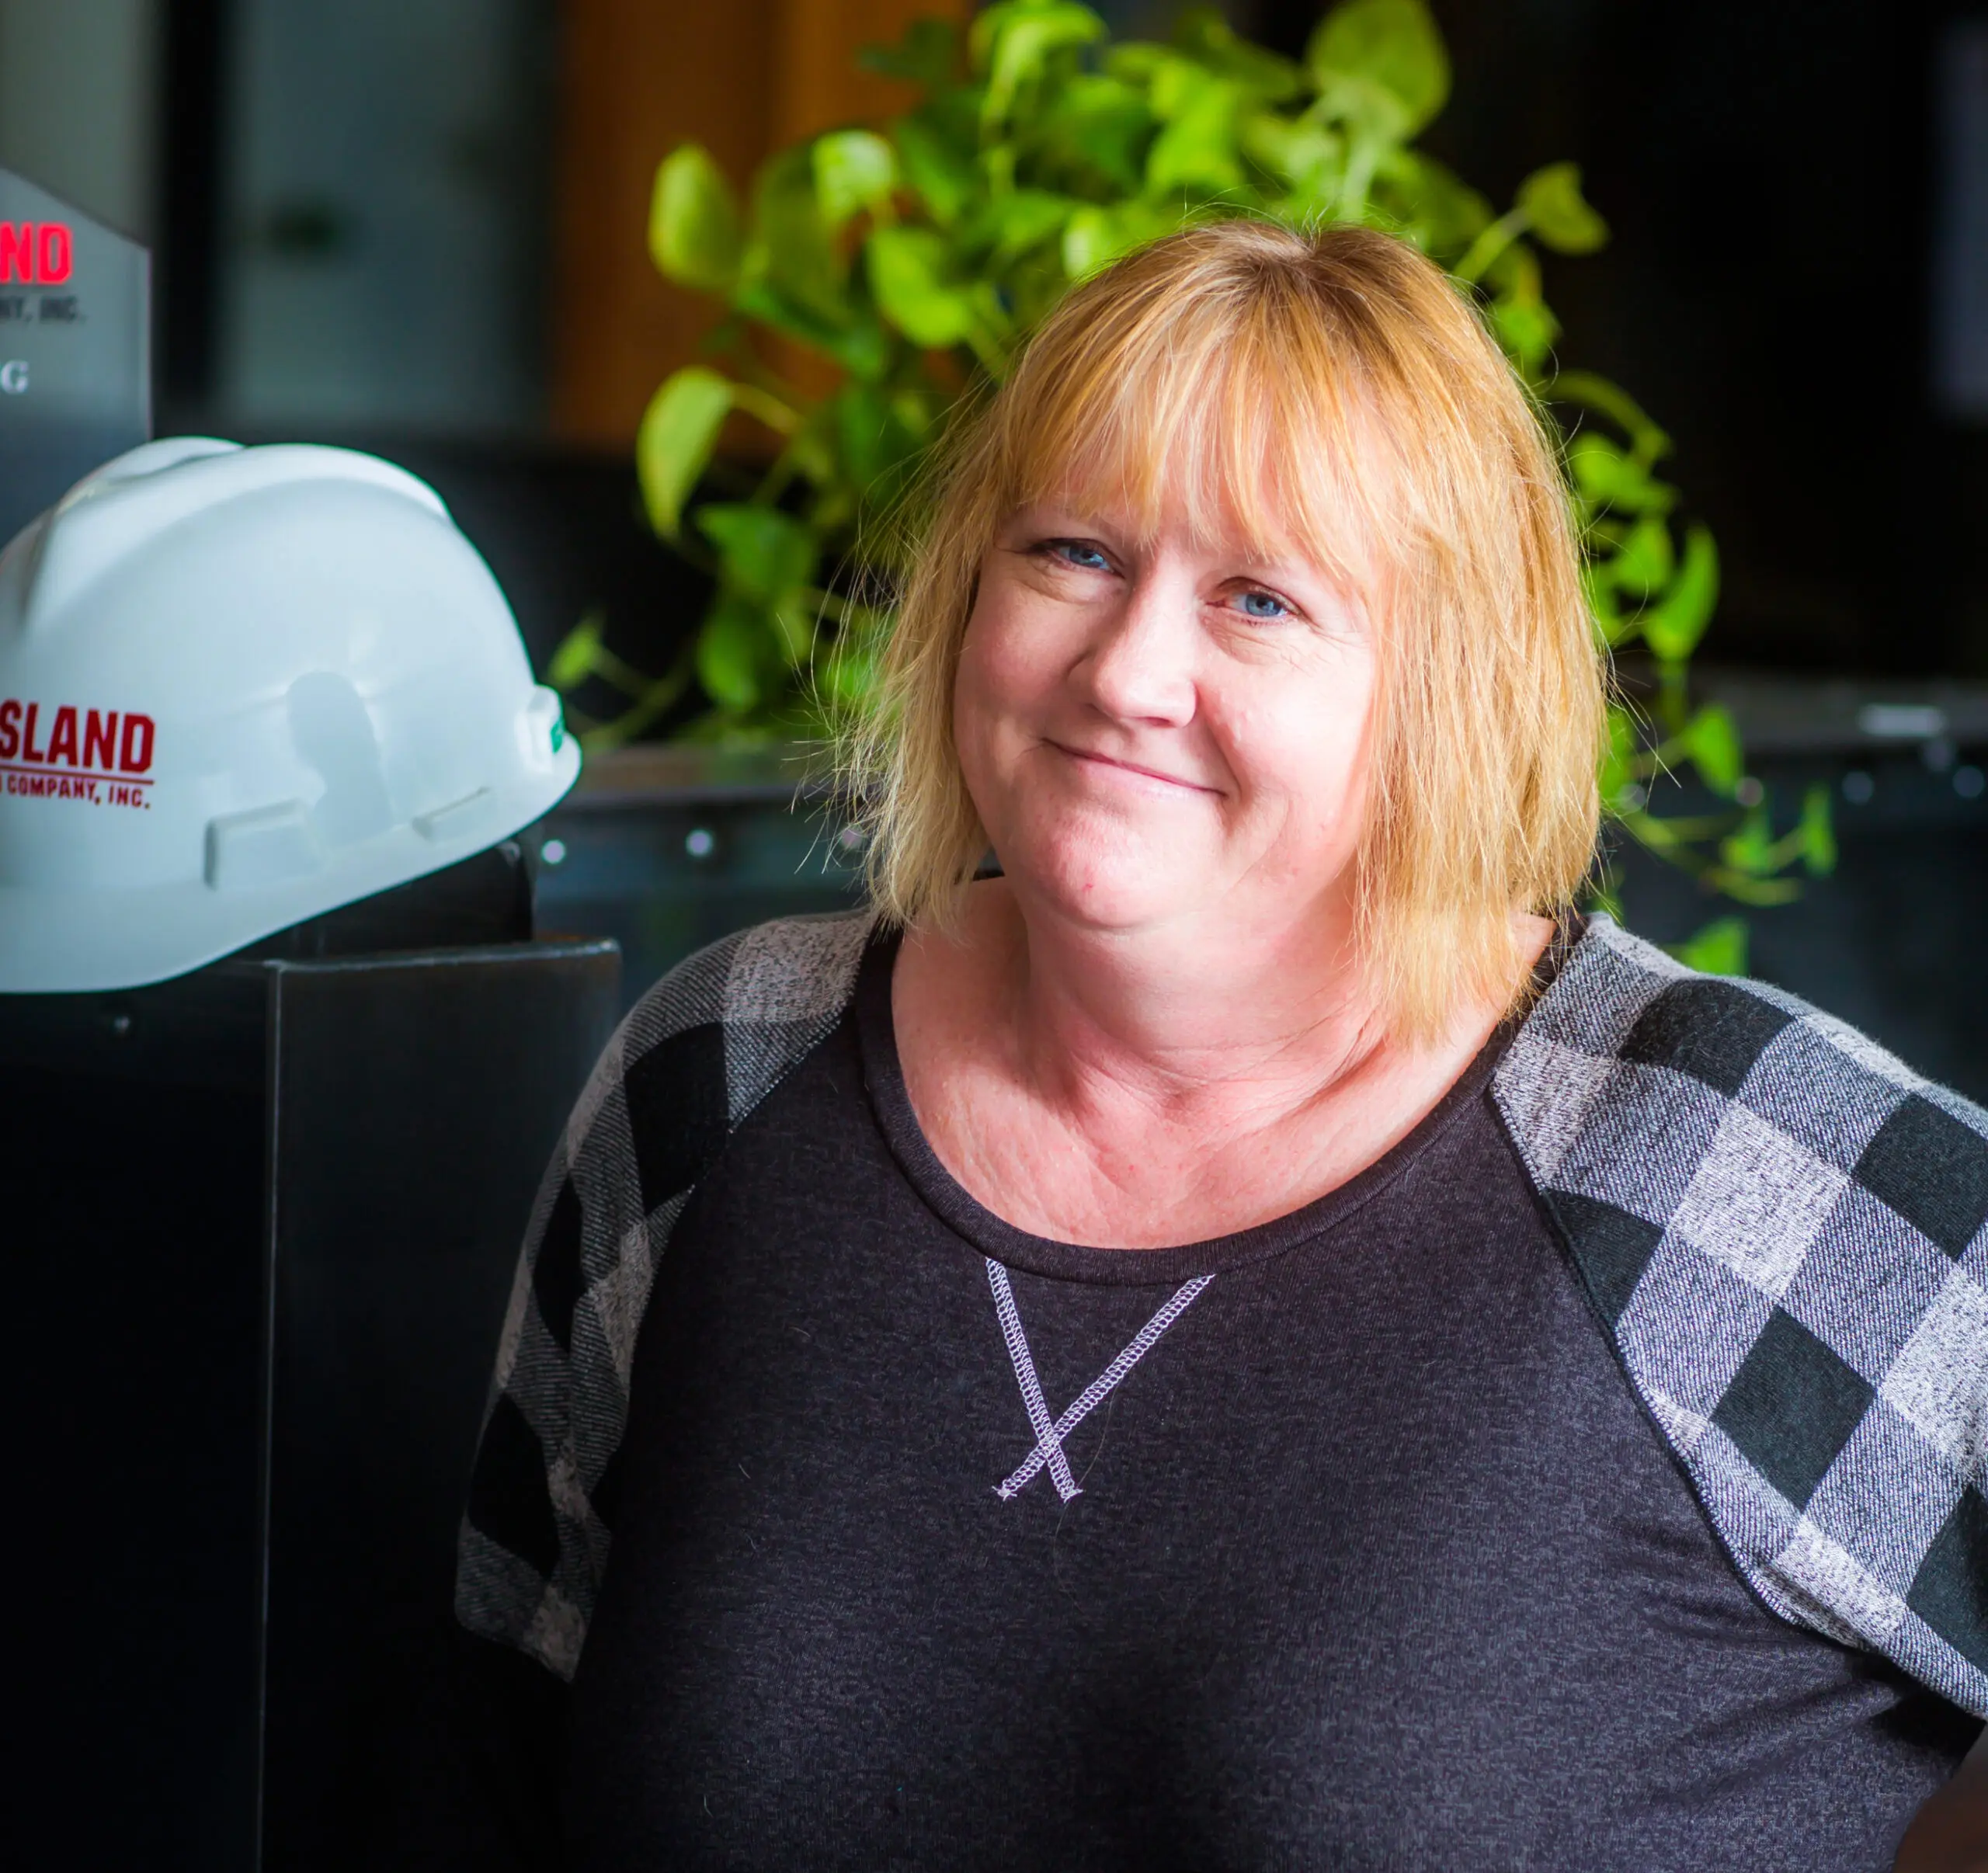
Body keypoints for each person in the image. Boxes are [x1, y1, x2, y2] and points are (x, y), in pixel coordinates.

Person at [449, 221, 1986, 1870]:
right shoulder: (727, 1067)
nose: (1126, 673)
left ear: (1441, 695)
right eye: (1070, 554)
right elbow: (480, 1757)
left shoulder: (1729, 1170)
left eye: (1257, 599)